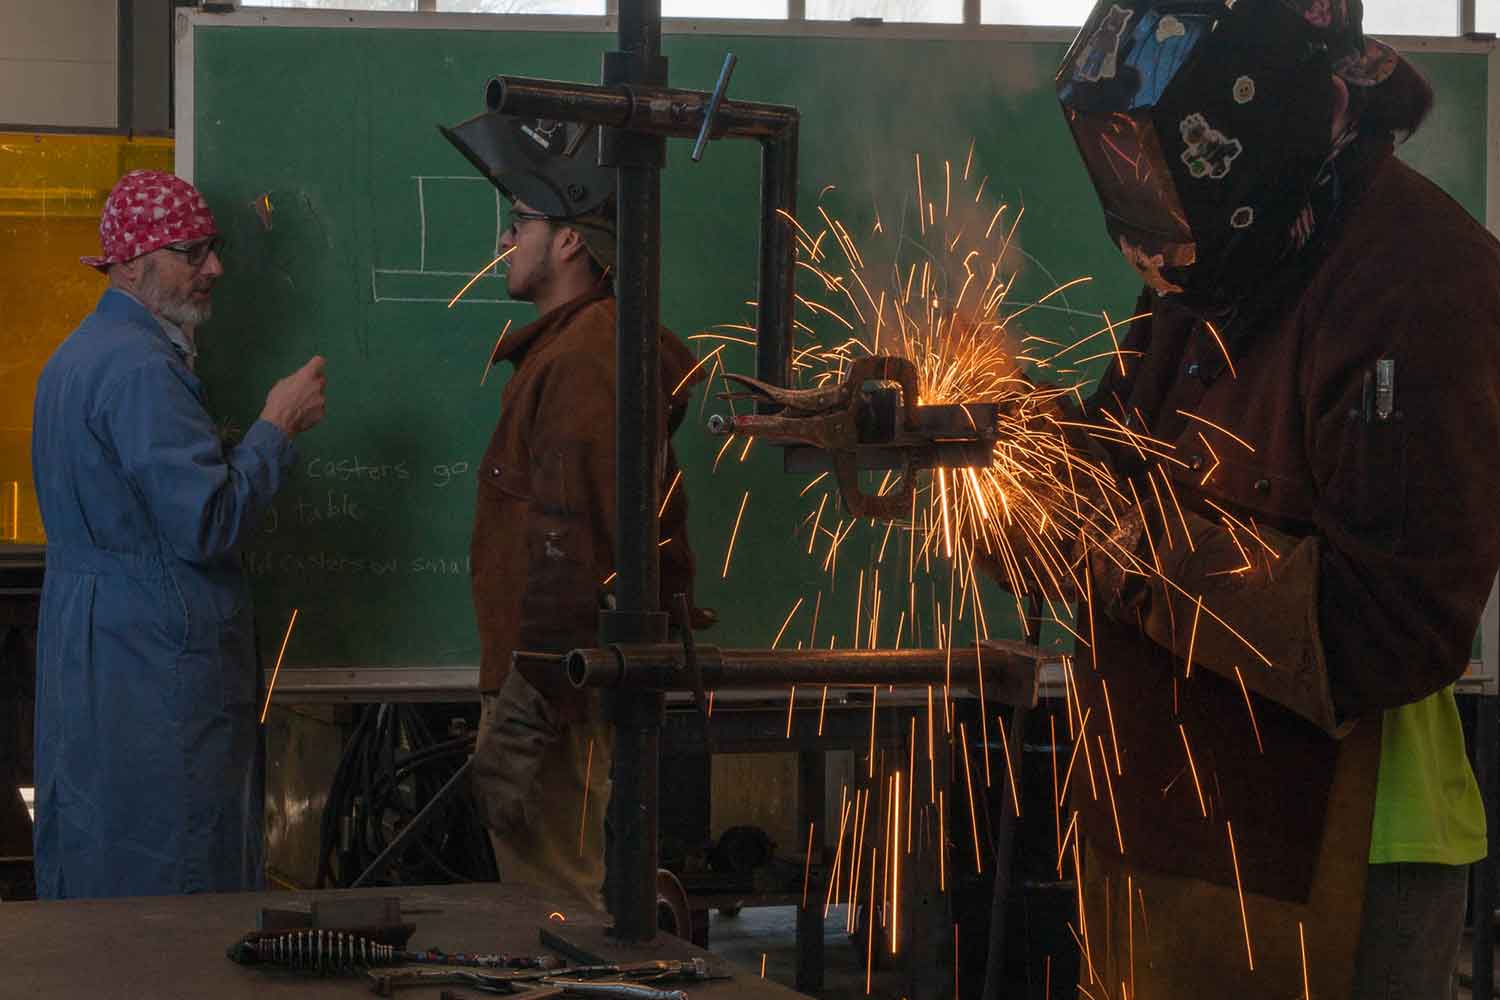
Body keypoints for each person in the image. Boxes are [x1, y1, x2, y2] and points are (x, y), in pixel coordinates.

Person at [1046, 1, 1500, 995]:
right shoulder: (1220, 268)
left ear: (1252, 121)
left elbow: (1385, 631)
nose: (1149, 201)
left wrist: (1122, 545)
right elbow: (1107, 480)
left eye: (1162, 162)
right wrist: (1006, 450)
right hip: (1178, 822)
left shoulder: (1420, 277)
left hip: (1347, 853)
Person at [30, 170, 328, 898]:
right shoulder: (142, 371)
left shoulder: (79, 356)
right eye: (192, 252)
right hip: (155, 648)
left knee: (99, 851)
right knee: (177, 867)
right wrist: (275, 428)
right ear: (133, 264)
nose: (214, 268)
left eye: (212, 248)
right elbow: (208, 523)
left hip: (93, 638)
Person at [442, 114, 705, 908]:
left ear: (567, 241)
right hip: (555, 684)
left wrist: (529, 712)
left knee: (561, 917)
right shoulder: (576, 348)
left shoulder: (587, 358)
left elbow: (574, 544)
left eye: (519, 221)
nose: (504, 240)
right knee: (566, 909)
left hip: (555, 693)